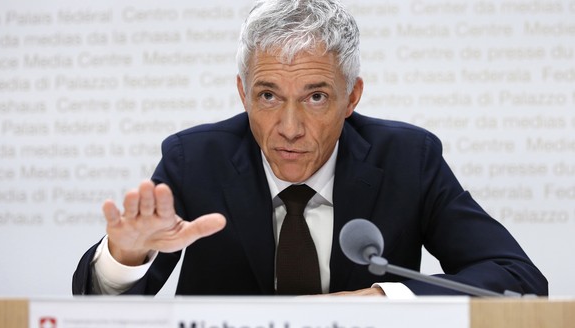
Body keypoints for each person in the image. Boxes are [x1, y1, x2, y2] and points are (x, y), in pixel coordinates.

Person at [72, 0, 547, 297]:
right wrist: (125, 256)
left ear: (352, 97)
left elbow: (518, 279)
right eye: (268, 96)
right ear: (243, 93)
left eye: (316, 96)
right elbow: (101, 307)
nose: (289, 127)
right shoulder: (195, 161)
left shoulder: (407, 159)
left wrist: (384, 301)